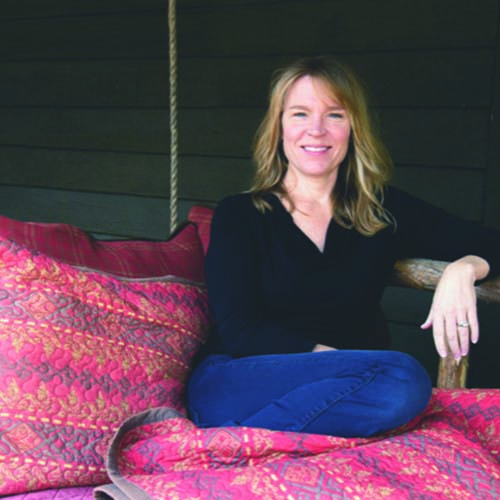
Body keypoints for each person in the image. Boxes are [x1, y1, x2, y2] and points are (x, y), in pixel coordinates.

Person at [186, 56, 500, 438]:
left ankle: (249, 441)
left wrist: (463, 269)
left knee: (401, 385)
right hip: (240, 379)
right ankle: (296, 432)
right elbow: (241, 330)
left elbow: (489, 242)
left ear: (353, 128)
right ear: (279, 127)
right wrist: (344, 369)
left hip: (347, 388)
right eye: (300, 114)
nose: (316, 130)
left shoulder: (382, 209)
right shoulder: (241, 214)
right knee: (400, 377)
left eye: (334, 115)